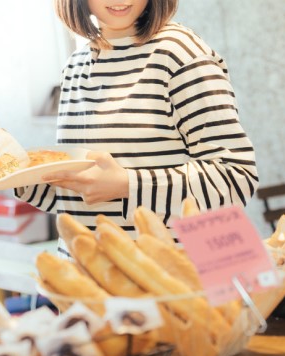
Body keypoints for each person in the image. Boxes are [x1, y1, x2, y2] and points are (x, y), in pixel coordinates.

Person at [17, 0, 258, 256]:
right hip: (94, 281)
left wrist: (128, 185)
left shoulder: (179, 53)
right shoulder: (75, 67)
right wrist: (18, 177)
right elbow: (86, 199)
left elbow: (235, 178)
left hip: (173, 280)